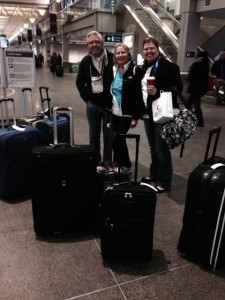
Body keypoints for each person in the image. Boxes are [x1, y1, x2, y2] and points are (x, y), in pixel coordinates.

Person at [134, 37, 183, 193]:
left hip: (162, 113)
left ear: (157, 49)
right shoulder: (144, 68)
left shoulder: (168, 66)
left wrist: (159, 91)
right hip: (148, 114)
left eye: (151, 48)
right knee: (153, 147)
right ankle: (154, 174)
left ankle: (164, 181)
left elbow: (178, 88)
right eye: (146, 49)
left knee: (161, 149)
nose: (149, 51)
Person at [76, 31, 114, 164]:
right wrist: (87, 99)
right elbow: (79, 82)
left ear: (102, 43)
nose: (94, 45)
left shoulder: (112, 58)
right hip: (93, 105)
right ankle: (95, 163)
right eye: (91, 42)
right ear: (87, 45)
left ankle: (107, 162)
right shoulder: (85, 62)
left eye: (97, 42)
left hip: (110, 105)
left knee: (109, 136)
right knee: (94, 136)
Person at [110, 43, 144, 172]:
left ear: (128, 54)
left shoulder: (135, 70)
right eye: (118, 53)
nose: (120, 55)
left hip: (127, 114)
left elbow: (139, 96)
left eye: (123, 52)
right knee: (115, 140)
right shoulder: (113, 70)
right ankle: (117, 163)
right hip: (115, 112)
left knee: (119, 138)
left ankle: (126, 166)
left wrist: (135, 117)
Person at [186, 50, 210, 127]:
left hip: (195, 87)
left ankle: (200, 121)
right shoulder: (206, 64)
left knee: (195, 104)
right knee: (190, 103)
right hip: (201, 88)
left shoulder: (196, 63)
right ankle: (188, 118)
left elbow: (190, 75)